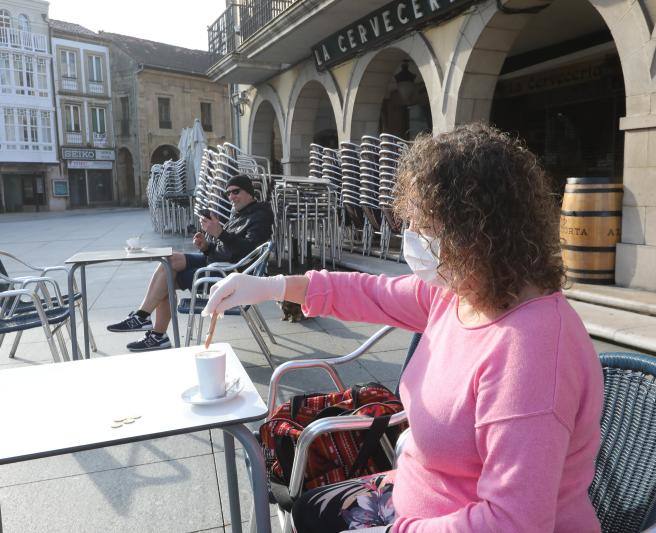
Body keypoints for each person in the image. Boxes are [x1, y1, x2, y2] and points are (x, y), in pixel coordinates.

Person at [202, 124, 604, 532]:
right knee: (303, 508)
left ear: (475, 231)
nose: (410, 237)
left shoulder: (530, 353)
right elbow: (370, 292)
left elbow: (514, 522)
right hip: (416, 492)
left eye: (423, 227)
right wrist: (273, 287)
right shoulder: (462, 292)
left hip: (450, 521)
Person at [107, 174, 273, 352]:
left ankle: (153, 330)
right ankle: (146, 322)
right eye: (228, 194)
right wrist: (207, 246)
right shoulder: (239, 213)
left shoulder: (260, 215)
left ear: (248, 191)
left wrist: (220, 233)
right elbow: (228, 251)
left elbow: (246, 252)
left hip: (232, 276)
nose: (231, 197)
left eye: (235, 192)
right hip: (221, 264)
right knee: (169, 260)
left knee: (167, 279)